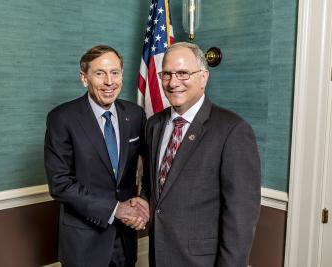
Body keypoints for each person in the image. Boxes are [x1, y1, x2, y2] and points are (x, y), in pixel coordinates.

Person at [141, 42, 261, 266]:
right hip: (158, 255)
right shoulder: (154, 124)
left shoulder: (233, 130)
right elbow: (153, 185)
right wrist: (141, 202)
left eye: (183, 73)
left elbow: (240, 215)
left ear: (203, 77)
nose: (173, 82)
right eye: (166, 74)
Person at [44, 45, 149, 267]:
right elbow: (60, 184)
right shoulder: (62, 118)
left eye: (115, 72)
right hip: (84, 242)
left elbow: (150, 165)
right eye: (100, 73)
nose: (109, 82)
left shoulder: (135, 114)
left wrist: (144, 202)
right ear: (84, 78)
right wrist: (115, 209)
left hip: (126, 238)